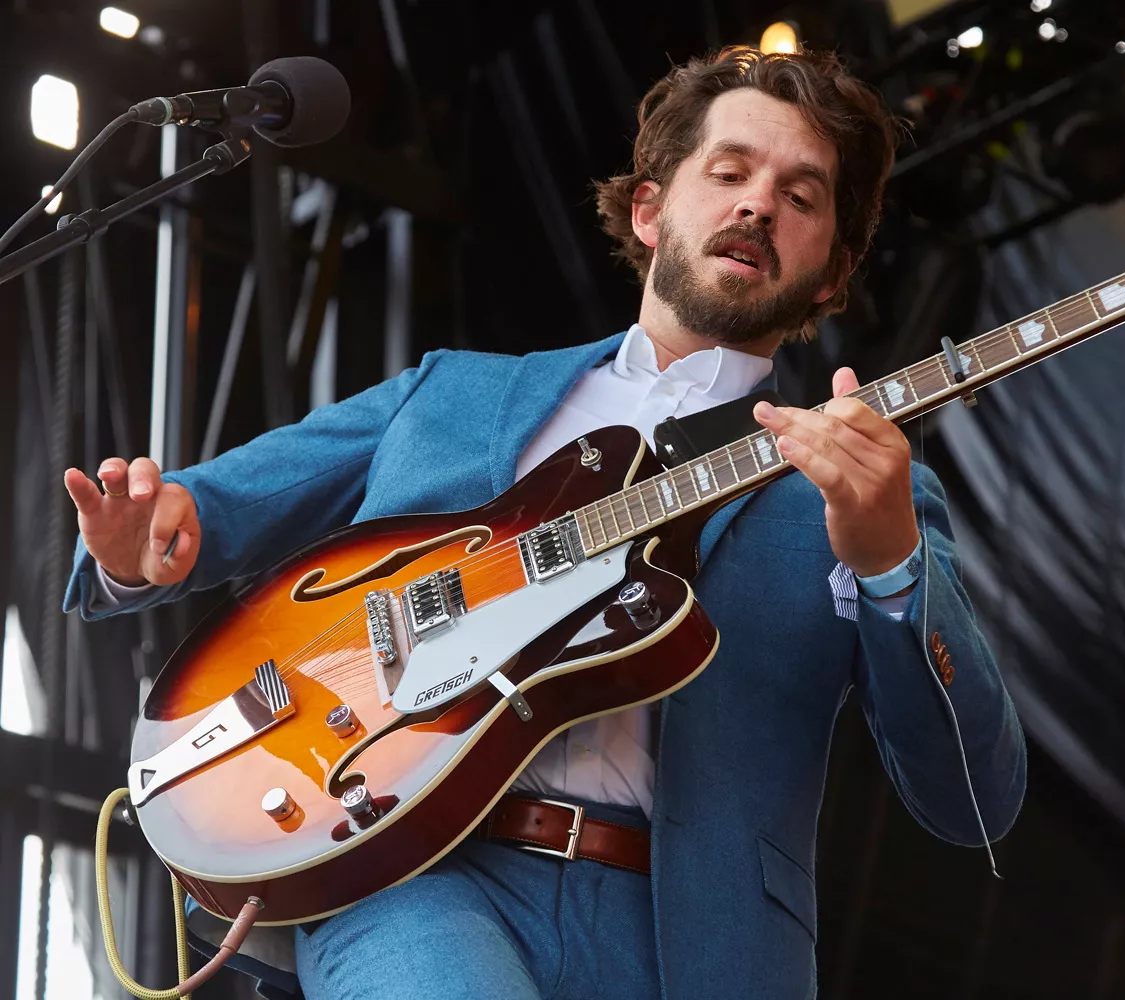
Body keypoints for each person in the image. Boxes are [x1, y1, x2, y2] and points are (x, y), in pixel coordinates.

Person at [63, 46, 1026, 1000]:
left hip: (695, 948)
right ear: (648, 209)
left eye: (801, 197)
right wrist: (139, 541)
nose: (758, 206)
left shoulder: (866, 493)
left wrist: (892, 565)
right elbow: (196, 512)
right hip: (413, 876)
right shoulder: (453, 393)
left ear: (832, 276)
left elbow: (974, 799)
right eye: (730, 172)